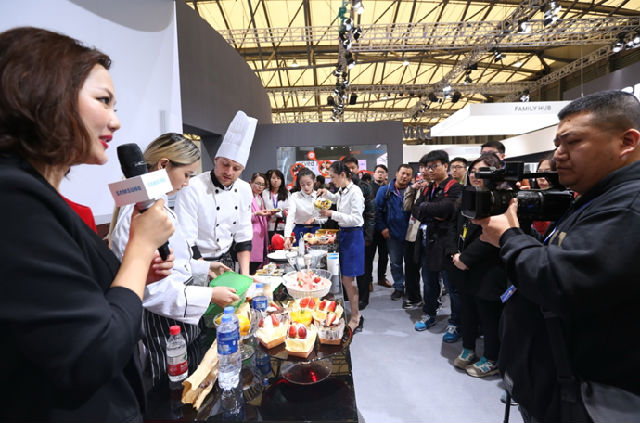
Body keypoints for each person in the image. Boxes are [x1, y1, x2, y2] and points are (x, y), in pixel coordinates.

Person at [0, 27, 174, 421]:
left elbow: (75, 309)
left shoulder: (43, 199)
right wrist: (140, 248)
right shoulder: (13, 197)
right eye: (103, 100)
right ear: (46, 93)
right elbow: (93, 351)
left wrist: (136, 272)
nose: (116, 121)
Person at [475, 91, 640, 422]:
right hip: (557, 385)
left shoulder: (628, 207)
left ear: (627, 142)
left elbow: (562, 282)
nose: (559, 155)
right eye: (557, 144)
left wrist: (509, 237)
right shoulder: (598, 198)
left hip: (591, 397)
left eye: (572, 142)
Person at [110, 133, 239, 381]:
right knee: (173, 389)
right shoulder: (135, 219)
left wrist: (204, 268)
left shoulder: (158, 208)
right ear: (163, 165)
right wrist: (210, 295)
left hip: (179, 316)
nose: (187, 183)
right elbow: (154, 290)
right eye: (187, 174)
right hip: (161, 325)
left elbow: (170, 261)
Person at [174, 111, 256, 275]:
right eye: (225, 164)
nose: (229, 172)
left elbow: (243, 236)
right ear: (216, 159)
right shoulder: (192, 187)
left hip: (226, 260)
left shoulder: (245, 189)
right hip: (194, 260)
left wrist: (246, 276)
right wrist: (207, 272)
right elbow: (186, 238)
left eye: (236, 168)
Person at [449, 153, 506, 378]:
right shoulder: (466, 197)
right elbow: (453, 228)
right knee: (468, 312)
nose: (475, 176)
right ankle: (468, 348)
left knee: (489, 316)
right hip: (463, 266)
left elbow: (491, 237)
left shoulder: (499, 201)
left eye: (481, 172)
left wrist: (465, 258)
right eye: (473, 171)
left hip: (488, 269)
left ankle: (492, 358)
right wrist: (455, 253)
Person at [411, 150, 463, 343]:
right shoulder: (427, 189)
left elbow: (447, 210)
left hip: (447, 244)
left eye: (435, 166)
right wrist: (430, 211)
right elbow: (415, 210)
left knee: (452, 287)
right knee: (429, 282)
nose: (430, 170)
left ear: (445, 166)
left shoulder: (455, 188)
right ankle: (429, 313)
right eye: (428, 167)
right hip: (428, 242)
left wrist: (426, 209)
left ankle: (456, 322)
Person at [319, 161, 365, 332]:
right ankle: (354, 313)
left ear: (343, 175)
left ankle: (356, 316)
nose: (331, 180)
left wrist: (332, 213)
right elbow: (339, 199)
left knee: (348, 279)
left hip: (353, 236)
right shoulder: (342, 190)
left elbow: (356, 219)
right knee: (346, 278)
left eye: (333, 177)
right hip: (344, 235)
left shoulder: (356, 192)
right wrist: (328, 195)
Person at [342, 156, 377, 308]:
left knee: (364, 268)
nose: (350, 171)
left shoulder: (365, 187)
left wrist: (368, 235)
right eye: (347, 168)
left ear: (357, 168)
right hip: (345, 233)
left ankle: (363, 297)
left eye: (353, 168)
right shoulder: (339, 187)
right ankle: (347, 294)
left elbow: (371, 213)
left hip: (361, 232)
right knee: (346, 266)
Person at [375, 164, 413, 301]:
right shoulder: (385, 190)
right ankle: (399, 287)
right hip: (392, 233)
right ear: (396, 173)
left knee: (411, 263)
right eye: (403, 173)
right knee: (395, 262)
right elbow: (377, 211)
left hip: (411, 234)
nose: (405, 176)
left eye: (408, 174)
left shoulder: (414, 190)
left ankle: (410, 288)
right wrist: (383, 228)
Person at [283, 167, 327, 248]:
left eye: (308, 184)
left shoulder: (319, 195)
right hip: (299, 230)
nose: (306, 187)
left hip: (316, 230)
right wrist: (287, 236)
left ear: (314, 181)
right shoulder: (295, 196)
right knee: (298, 253)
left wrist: (314, 219)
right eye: (302, 185)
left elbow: (324, 218)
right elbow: (290, 217)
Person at [370, 163, 391, 289]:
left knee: (384, 255)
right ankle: (368, 280)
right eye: (378, 172)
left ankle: (382, 278)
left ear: (386, 175)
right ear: (374, 174)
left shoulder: (389, 189)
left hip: (384, 227)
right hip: (371, 228)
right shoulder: (368, 188)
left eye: (382, 172)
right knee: (370, 256)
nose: (380, 174)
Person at [250, 172, 274, 274]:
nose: (260, 187)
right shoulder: (246, 197)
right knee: (251, 267)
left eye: (263, 185)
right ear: (250, 182)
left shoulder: (259, 198)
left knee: (258, 267)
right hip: (251, 235)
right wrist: (256, 213)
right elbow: (240, 217)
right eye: (258, 183)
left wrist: (269, 214)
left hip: (261, 235)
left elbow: (261, 217)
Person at [262, 169, 289, 240]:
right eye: (273, 178)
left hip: (283, 226)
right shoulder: (264, 193)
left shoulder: (287, 193)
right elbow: (262, 207)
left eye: (278, 178)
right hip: (269, 226)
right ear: (270, 179)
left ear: (282, 180)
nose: (276, 180)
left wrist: (282, 213)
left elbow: (290, 210)